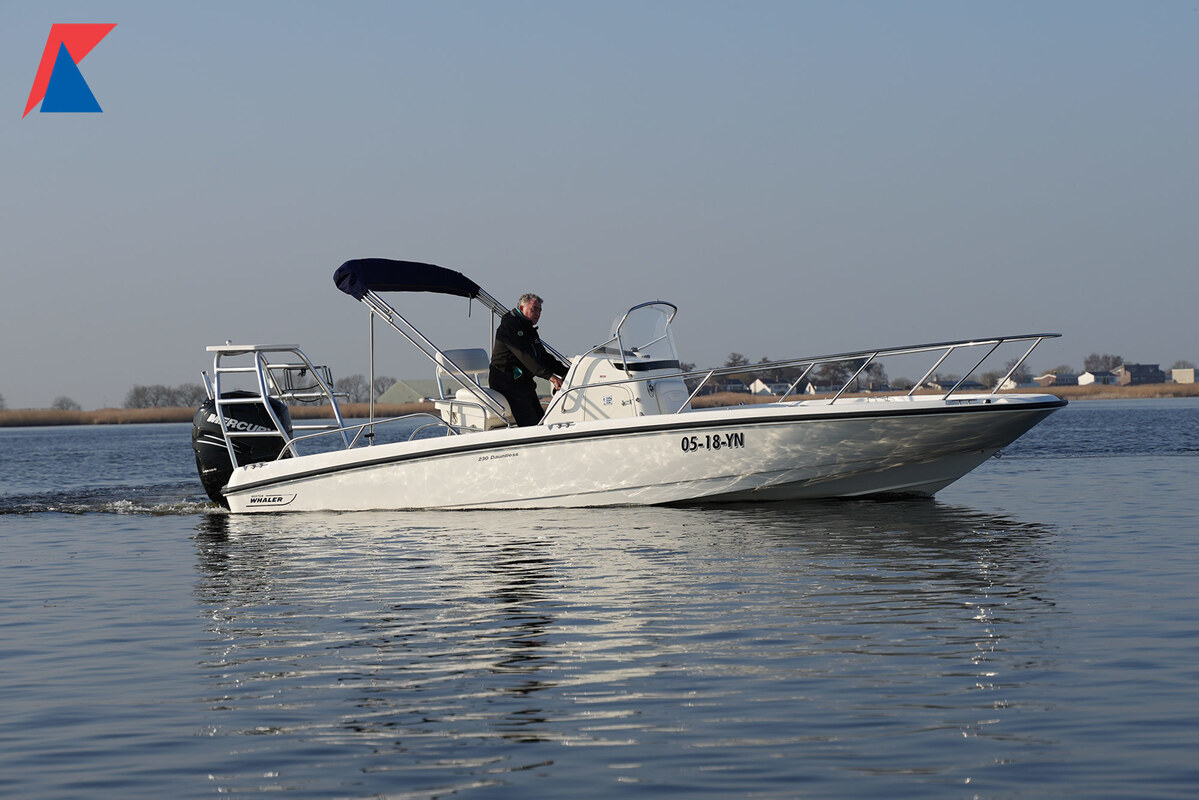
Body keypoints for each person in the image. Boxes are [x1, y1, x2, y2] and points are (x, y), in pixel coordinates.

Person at [489, 293, 570, 426]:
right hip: (507, 383)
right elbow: (526, 356)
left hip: (523, 383)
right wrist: (551, 377)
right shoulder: (510, 327)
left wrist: (568, 371)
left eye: (540, 310)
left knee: (541, 421)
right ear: (521, 308)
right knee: (532, 423)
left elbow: (543, 356)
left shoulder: (528, 329)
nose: (537, 313)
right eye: (534, 309)